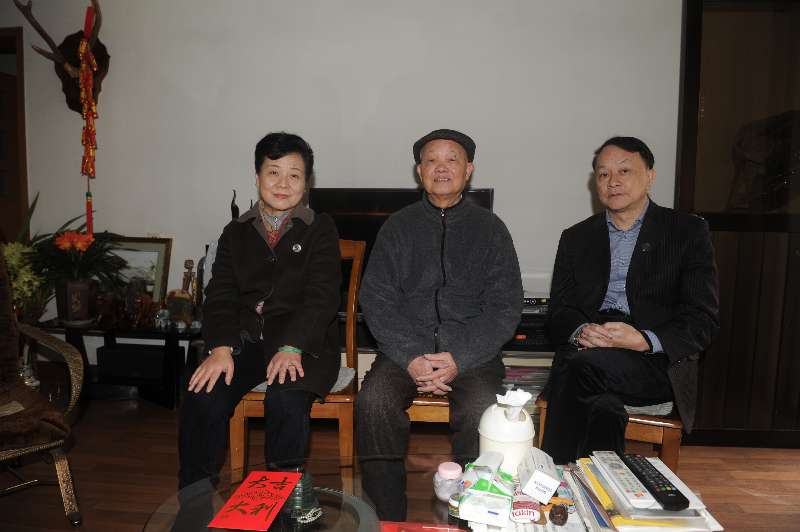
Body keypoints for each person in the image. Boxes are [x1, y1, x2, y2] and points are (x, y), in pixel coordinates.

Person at [356, 129, 523, 520]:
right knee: (374, 403)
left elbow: (505, 306)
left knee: (482, 411)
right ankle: (388, 518)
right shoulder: (398, 227)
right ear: (419, 172)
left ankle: (472, 514)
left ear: (469, 170)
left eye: (452, 159)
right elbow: (376, 299)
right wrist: (412, 356)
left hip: (472, 355)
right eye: (432, 160)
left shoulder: (491, 229)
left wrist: (458, 357)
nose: (441, 168)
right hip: (404, 352)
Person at [177, 132, 341, 524]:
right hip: (245, 340)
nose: (283, 184)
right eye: (273, 172)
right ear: (257, 177)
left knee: (285, 399)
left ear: (307, 182)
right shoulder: (235, 232)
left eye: (294, 175)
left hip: (304, 342)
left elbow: (322, 297)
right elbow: (220, 296)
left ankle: (284, 510)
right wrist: (220, 347)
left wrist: (292, 346)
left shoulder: (320, 228)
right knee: (202, 393)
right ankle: (193, 510)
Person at [541, 136, 719, 465]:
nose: (613, 181)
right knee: (603, 406)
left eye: (624, 171)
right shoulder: (576, 237)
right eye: (603, 174)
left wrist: (644, 340)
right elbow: (559, 312)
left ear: (650, 176)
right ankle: (601, 485)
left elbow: (702, 320)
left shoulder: (687, 231)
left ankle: (551, 474)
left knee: (575, 367)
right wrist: (581, 330)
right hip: (590, 349)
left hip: (653, 362)